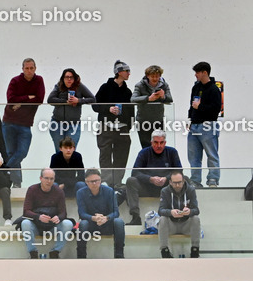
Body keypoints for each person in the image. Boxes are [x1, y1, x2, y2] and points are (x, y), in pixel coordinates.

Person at [3, 58, 45, 188]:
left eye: (31, 68)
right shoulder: (15, 81)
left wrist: (20, 102)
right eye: (27, 68)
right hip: (9, 121)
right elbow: (11, 99)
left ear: (35, 68)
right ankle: (16, 183)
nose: (29, 70)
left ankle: (3, 171)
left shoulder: (39, 80)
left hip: (25, 124)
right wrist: (28, 97)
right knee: (11, 153)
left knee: (21, 153)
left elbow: (39, 99)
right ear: (22, 69)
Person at [92, 60, 134, 189]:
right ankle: (107, 183)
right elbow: (95, 105)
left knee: (121, 156)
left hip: (122, 129)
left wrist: (127, 127)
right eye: (127, 71)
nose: (129, 73)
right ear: (119, 72)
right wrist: (108, 109)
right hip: (106, 127)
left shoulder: (128, 92)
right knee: (105, 155)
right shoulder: (105, 88)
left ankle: (117, 183)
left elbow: (131, 112)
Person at [126, 130, 182, 226]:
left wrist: (166, 178)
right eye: (156, 142)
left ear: (165, 143)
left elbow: (179, 171)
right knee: (130, 181)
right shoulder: (144, 153)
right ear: (151, 142)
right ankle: (135, 216)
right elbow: (135, 172)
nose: (158, 145)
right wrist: (150, 179)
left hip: (167, 189)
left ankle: (179, 214)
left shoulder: (172, 152)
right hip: (147, 188)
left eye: (161, 142)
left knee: (184, 180)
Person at [20, 168, 74, 259]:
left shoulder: (59, 191)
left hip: (52, 226)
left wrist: (58, 217)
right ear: (41, 178)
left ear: (54, 179)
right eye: (46, 178)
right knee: (25, 223)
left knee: (68, 224)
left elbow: (63, 213)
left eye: (51, 179)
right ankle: (33, 253)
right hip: (36, 225)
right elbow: (26, 211)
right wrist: (38, 217)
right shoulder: (32, 189)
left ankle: (55, 252)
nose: (49, 181)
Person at [76, 169, 125, 259]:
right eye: (92, 181)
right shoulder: (80, 193)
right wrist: (94, 218)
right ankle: (81, 256)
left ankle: (119, 255)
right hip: (91, 225)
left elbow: (116, 212)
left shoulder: (109, 191)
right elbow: (82, 214)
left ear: (100, 180)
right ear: (86, 182)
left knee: (119, 222)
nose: (95, 183)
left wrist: (106, 218)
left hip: (106, 224)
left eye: (97, 181)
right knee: (83, 223)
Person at [187, 62, 221, 188]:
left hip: (208, 125)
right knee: (193, 156)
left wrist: (200, 107)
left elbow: (216, 110)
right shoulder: (195, 87)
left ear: (205, 72)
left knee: (211, 154)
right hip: (194, 125)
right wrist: (190, 120)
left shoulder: (214, 89)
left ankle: (213, 179)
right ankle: (195, 180)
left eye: (197, 72)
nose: (195, 75)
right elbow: (192, 105)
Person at [46, 67, 95, 150]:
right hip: (57, 123)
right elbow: (50, 100)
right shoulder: (58, 86)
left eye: (71, 77)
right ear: (63, 79)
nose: (69, 79)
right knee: (59, 151)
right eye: (66, 77)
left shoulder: (79, 86)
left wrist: (78, 100)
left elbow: (92, 99)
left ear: (74, 78)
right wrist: (65, 101)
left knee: (71, 151)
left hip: (74, 124)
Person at [158, 171, 201, 258]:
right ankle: (164, 250)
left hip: (186, 225)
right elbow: (160, 210)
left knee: (196, 218)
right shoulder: (165, 191)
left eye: (179, 182)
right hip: (171, 225)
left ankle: (195, 250)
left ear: (184, 181)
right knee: (162, 219)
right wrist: (171, 212)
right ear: (170, 182)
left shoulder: (191, 190)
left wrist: (189, 211)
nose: (177, 185)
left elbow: (196, 210)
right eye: (175, 183)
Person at [130, 65, 174, 149]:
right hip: (143, 121)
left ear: (160, 76)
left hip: (158, 121)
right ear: (147, 76)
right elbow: (133, 99)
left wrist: (163, 96)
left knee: (159, 147)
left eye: (157, 76)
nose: (155, 78)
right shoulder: (140, 85)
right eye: (152, 76)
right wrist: (148, 98)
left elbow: (170, 99)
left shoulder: (164, 85)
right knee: (146, 147)